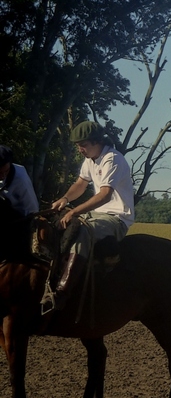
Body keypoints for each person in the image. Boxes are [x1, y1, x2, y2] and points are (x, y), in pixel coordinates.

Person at [43, 121, 135, 313]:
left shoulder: (112, 159)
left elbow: (105, 195)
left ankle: (62, 293)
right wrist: (65, 199)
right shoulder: (90, 159)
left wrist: (74, 211)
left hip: (116, 218)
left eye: (82, 144)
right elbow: (80, 184)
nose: (80, 149)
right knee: (55, 225)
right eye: (78, 145)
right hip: (96, 213)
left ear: (96, 142)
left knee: (81, 231)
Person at [0, 145, 40, 217]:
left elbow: (33, 210)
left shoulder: (21, 179)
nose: (3, 176)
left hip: (19, 218)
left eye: (6, 171)